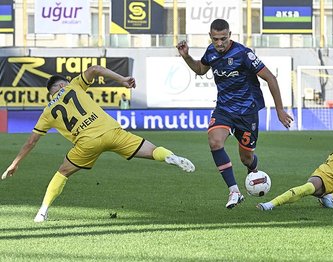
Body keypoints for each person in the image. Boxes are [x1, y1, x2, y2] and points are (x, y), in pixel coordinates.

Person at [1, 65, 195, 222]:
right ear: (63, 85)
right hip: (111, 130)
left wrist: (15, 163)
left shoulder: (47, 112)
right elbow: (95, 69)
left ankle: (42, 211)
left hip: (87, 143)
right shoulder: (74, 85)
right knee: (151, 150)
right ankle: (169, 156)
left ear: (52, 93)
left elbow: (31, 142)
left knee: (63, 172)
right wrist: (122, 80)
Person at [176, 19, 293, 209]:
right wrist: (186, 56)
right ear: (210, 37)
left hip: (247, 112)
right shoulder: (211, 51)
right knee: (214, 141)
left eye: (223, 38)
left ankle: (253, 170)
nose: (219, 43)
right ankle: (234, 191)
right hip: (224, 109)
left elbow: (270, 77)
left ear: (230, 35)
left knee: (246, 158)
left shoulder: (244, 53)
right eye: (216, 39)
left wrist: (280, 110)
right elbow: (200, 69)